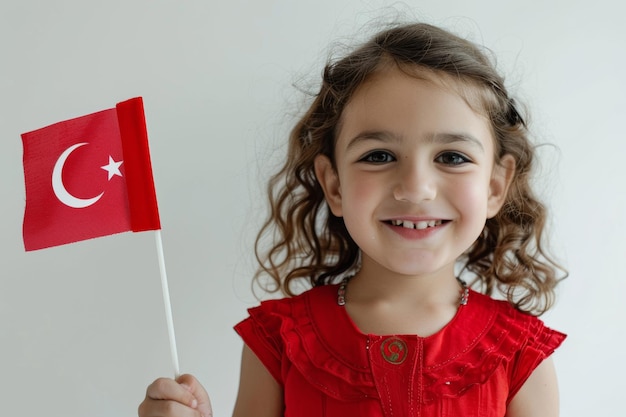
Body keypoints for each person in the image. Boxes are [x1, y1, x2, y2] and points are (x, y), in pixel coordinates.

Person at [138, 21, 567, 417]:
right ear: (335, 184)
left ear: (495, 186)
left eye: (452, 157)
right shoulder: (279, 342)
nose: (415, 188)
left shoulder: (521, 354)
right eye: (378, 156)